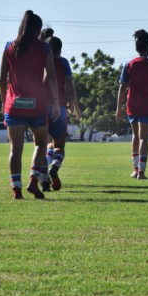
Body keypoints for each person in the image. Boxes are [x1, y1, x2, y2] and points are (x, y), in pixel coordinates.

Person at [0, 10, 60, 200]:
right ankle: (33, 179)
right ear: (37, 30)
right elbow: (50, 76)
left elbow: (2, 79)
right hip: (37, 105)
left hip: (13, 105)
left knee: (15, 150)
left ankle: (16, 189)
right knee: (41, 143)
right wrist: (56, 102)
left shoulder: (10, 47)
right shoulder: (44, 49)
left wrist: (3, 102)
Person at [115, 30, 148, 179]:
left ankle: (134, 169)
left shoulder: (129, 65)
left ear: (136, 48)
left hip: (132, 104)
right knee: (144, 137)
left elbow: (122, 87)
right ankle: (141, 171)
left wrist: (118, 107)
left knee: (135, 136)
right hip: (147, 104)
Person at [40, 36, 82, 192]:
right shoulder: (64, 63)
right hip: (60, 108)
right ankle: (55, 166)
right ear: (60, 49)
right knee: (59, 146)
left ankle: (44, 181)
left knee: (41, 146)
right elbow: (69, 85)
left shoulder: (40, 63)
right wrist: (74, 106)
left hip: (41, 108)